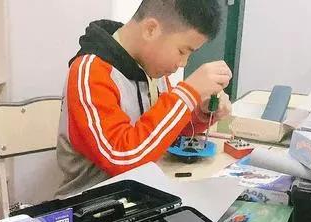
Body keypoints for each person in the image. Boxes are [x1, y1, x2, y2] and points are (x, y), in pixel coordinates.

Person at [57, 0, 233, 195]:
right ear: (151, 30)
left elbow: (158, 137)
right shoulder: (90, 72)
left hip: (142, 195)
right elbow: (122, 158)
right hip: (92, 203)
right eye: (182, 51)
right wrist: (187, 93)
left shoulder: (152, 70)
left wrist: (200, 114)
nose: (183, 63)